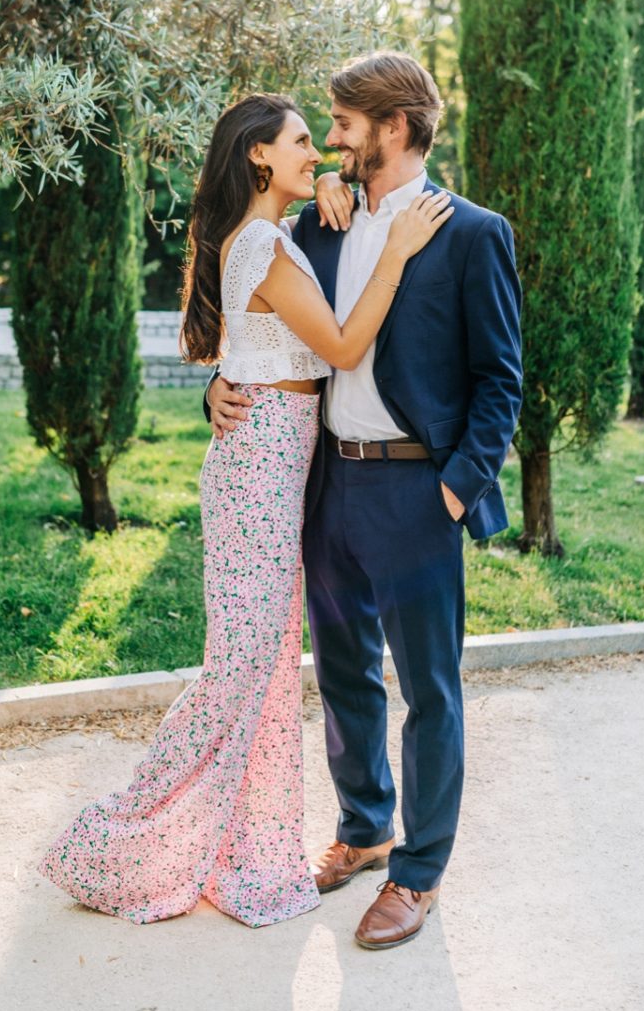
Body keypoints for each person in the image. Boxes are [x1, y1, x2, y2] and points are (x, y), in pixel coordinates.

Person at [38, 91, 451, 927]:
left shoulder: (274, 236)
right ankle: (120, 835)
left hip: (277, 461)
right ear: (260, 156)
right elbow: (337, 349)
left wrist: (336, 199)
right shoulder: (262, 242)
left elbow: (255, 349)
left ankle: (248, 852)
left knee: (263, 673)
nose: (320, 153)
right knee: (241, 667)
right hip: (259, 471)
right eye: (304, 142)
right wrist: (397, 252)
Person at [208, 51, 523, 952]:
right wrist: (217, 392)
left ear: (392, 129)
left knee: (429, 689)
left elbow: (501, 381)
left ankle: (417, 874)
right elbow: (263, 330)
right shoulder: (319, 224)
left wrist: (458, 491)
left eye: (343, 124)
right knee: (342, 671)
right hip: (327, 483)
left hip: (419, 492)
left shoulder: (471, 233)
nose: (333, 138)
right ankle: (364, 827)